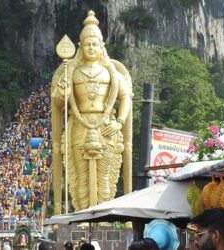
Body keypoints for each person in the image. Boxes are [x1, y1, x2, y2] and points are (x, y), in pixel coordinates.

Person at [51, 10, 133, 213]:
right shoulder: (71, 71)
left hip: (106, 126)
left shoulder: (111, 72)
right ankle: (81, 217)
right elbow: (59, 103)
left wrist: (119, 122)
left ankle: (103, 218)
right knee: (80, 178)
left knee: (105, 178)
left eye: (94, 43)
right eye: (87, 44)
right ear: (80, 46)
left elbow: (125, 98)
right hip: (79, 124)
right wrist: (64, 92)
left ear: (101, 46)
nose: (91, 47)